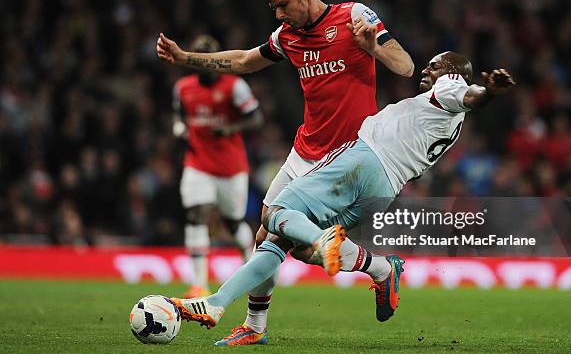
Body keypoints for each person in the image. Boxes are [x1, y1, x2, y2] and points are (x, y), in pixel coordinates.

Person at [169, 52, 517, 338]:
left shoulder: (451, 86)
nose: (427, 68)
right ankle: (378, 268)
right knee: (290, 244)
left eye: (435, 64)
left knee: (274, 213)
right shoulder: (447, 119)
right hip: (386, 188)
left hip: (363, 162)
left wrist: (489, 92)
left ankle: (325, 243)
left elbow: (471, 96)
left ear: (453, 72)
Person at [157, 0, 415, 345]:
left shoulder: (354, 16)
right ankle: (260, 323)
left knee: (281, 236)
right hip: (303, 152)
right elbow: (245, 60)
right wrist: (185, 59)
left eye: (283, 5)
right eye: (274, 9)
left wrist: (373, 47)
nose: (279, 15)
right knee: (270, 235)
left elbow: (407, 66)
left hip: (345, 159)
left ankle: (374, 270)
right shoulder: (287, 36)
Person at [173, 35, 263, 298]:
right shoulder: (183, 88)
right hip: (197, 163)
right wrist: (179, 127)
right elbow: (179, 114)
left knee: (233, 222)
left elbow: (256, 117)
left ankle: (251, 265)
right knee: (195, 214)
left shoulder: (235, 86)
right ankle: (199, 283)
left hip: (230, 168)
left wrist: (231, 128)